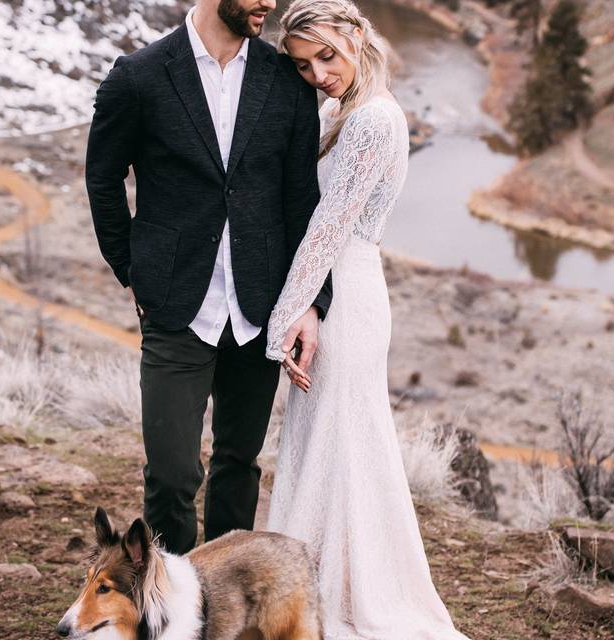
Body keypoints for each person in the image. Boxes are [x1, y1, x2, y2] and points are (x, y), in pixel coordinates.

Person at [85, 0, 332, 555]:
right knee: (171, 476)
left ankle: (224, 604)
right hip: (175, 309)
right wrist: (133, 270)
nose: (269, 3)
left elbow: (302, 199)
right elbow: (102, 180)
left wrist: (310, 299)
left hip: (260, 306)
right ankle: (171, 609)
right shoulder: (140, 76)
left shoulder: (285, 81)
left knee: (238, 467)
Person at [264, 0, 471, 637]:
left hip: (346, 294)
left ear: (356, 37)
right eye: (302, 65)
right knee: (323, 439)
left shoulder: (375, 120)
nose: (318, 74)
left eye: (326, 55)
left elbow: (329, 228)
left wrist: (288, 316)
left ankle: (335, 599)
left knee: (343, 437)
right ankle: (311, 589)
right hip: (332, 288)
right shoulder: (338, 112)